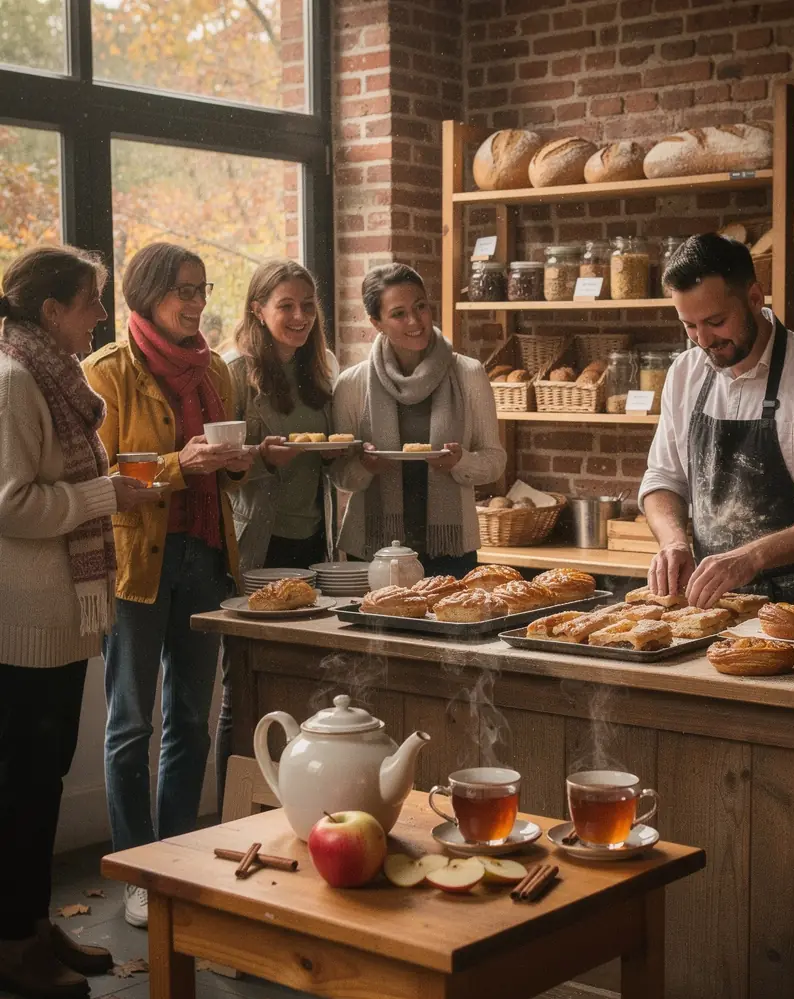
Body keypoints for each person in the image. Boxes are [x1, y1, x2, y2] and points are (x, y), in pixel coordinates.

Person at [0, 246, 160, 999]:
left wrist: (106, 484)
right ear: (51, 313)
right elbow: (9, 504)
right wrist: (105, 497)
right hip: (23, 624)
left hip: (57, 618)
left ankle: (30, 926)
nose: (102, 314)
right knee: (23, 789)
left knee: (40, 780)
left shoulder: (52, 381)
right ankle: (13, 943)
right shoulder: (12, 383)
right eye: (91, 302)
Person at [83, 242, 254, 930]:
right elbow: (107, 483)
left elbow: (225, 469)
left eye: (203, 289)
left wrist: (237, 462)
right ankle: (137, 868)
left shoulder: (215, 367)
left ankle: (177, 859)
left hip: (206, 557)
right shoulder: (104, 372)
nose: (197, 302)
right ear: (146, 293)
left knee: (189, 718)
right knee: (130, 725)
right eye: (184, 290)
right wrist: (182, 464)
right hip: (137, 564)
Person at [640, 233, 794, 607]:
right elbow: (662, 479)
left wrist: (751, 557)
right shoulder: (684, 373)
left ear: (755, 298)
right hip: (714, 606)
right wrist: (673, 541)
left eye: (716, 321)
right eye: (689, 326)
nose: (703, 340)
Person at [215, 258, 339, 810]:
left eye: (308, 305)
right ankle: (232, 809)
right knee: (244, 689)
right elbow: (220, 466)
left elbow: (330, 459)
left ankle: (298, 806)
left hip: (314, 545)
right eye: (285, 305)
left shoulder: (322, 369)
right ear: (257, 310)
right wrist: (264, 459)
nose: (299, 316)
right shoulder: (234, 372)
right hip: (254, 547)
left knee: (308, 679)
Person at [332, 262, 505, 577]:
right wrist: (365, 467)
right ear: (376, 322)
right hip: (373, 549)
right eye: (398, 314)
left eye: (421, 307)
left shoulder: (469, 373)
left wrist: (460, 462)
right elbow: (340, 475)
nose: (415, 321)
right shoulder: (351, 384)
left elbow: (495, 460)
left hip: (450, 549)